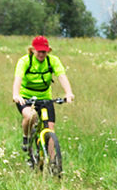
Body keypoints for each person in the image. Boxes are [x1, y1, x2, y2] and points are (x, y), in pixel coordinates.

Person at [12, 35, 74, 164]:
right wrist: (16, 95)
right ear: (33, 50)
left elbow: (62, 76)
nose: (41, 54)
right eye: (39, 51)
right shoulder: (25, 61)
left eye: (44, 51)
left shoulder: (53, 61)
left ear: (48, 51)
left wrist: (68, 93)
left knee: (50, 128)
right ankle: (27, 137)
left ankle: (53, 162)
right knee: (30, 117)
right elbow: (18, 79)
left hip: (45, 98)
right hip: (26, 98)